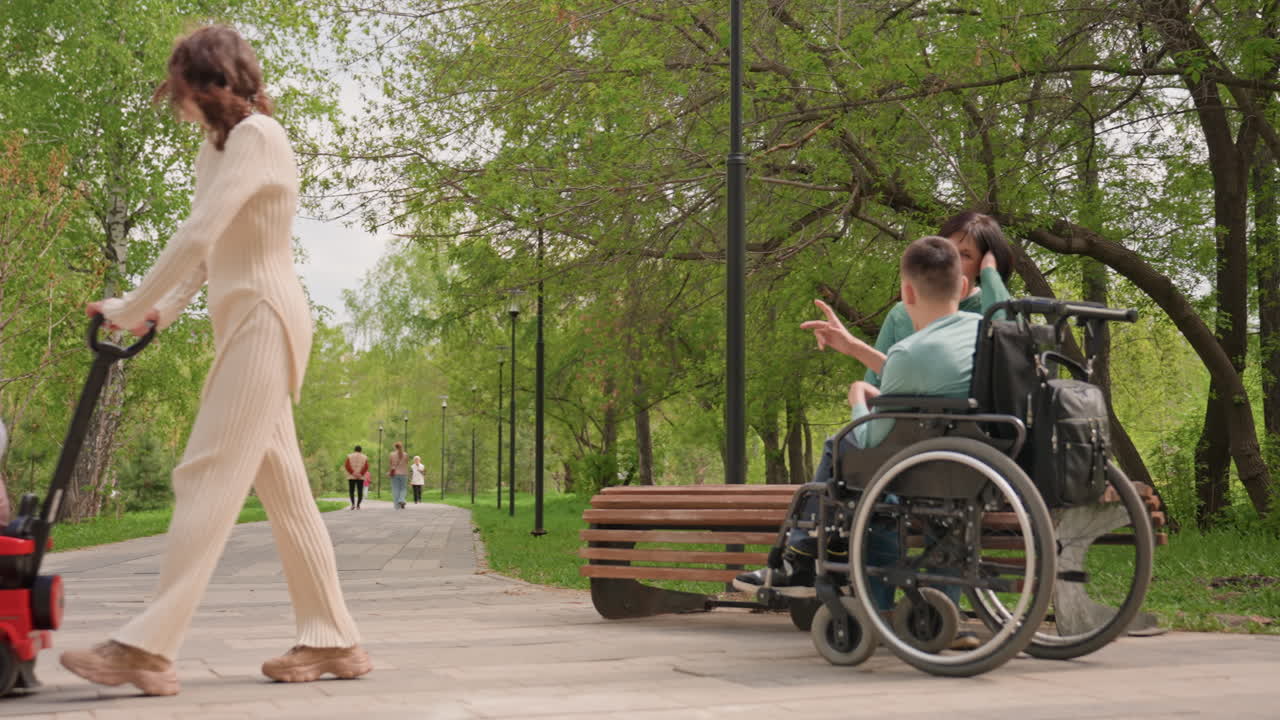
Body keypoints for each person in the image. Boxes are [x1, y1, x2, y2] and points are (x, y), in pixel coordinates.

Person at [60, 25, 370, 696]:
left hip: (265, 316)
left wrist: (129, 301)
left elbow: (200, 230)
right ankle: (334, 638)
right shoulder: (217, 150)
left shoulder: (259, 138)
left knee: (205, 473)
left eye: (182, 92)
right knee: (284, 491)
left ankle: (148, 646)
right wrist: (156, 311)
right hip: (239, 320)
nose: (178, 106)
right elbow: (208, 253)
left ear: (211, 86)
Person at [736, 236, 983, 646]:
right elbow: (930, 382)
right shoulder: (984, 332)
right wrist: (854, 349)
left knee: (842, 447)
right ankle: (819, 561)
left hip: (925, 471)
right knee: (869, 483)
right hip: (979, 464)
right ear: (960, 287)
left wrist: (857, 400)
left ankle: (801, 555)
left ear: (906, 292)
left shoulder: (910, 351)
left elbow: (872, 441)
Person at [345, 445, 369, 510]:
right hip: (360, 476)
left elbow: (347, 466)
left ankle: (352, 504)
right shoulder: (365, 457)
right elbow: (366, 467)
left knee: (351, 490)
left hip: (351, 476)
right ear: (361, 450)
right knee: (360, 490)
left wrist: (353, 473)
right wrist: (360, 474)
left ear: (354, 450)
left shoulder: (349, 456)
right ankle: (358, 505)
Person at [388, 441, 409, 509]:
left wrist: (390, 471)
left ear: (395, 447)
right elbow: (406, 463)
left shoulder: (391, 454)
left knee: (395, 489)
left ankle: (396, 506)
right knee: (403, 488)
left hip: (395, 473)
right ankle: (401, 499)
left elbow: (391, 464)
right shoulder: (405, 454)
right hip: (404, 474)